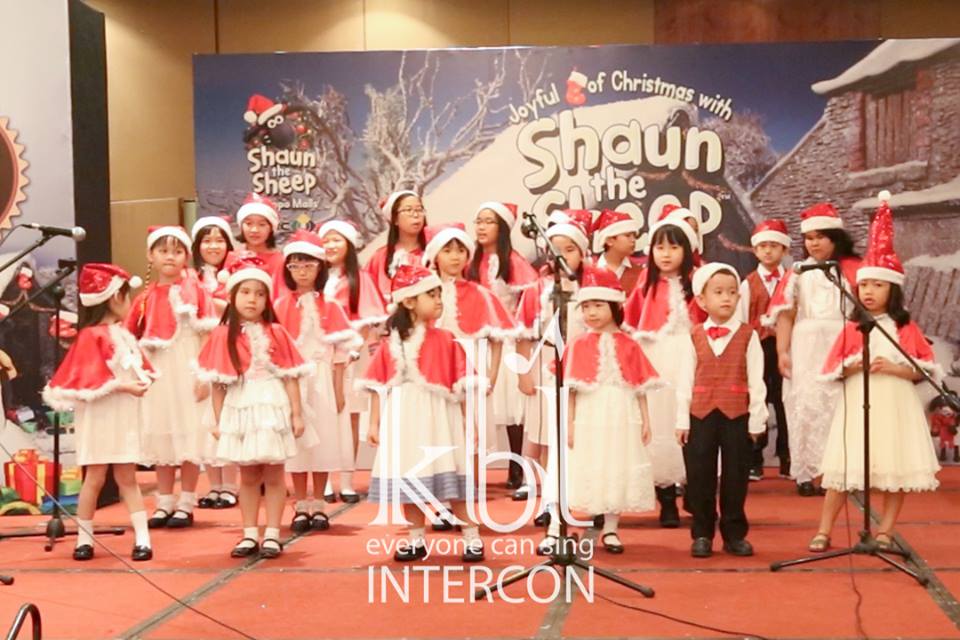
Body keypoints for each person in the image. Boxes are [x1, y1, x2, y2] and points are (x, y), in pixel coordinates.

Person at [809, 195, 941, 552]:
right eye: (864, 285)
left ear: (892, 289)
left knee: (893, 467)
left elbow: (924, 369)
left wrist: (897, 369)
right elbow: (832, 369)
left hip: (895, 402)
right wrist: (855, 366)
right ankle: (824, 529)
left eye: (877, 285)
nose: (868, 291)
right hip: (859, 401)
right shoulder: (854, 327)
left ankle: (885, 530)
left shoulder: (904, 327)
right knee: (843, 468)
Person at [360, 264, 485, 562]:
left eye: (439, 294)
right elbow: (378, 384)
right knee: (409, 477)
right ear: (409, 301)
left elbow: (462, 384)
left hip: (440, 415)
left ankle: (472, 537)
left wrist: (470, 422)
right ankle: (416, 538)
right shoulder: (392, 344)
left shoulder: (446, 339)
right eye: (431, 295)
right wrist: (374, 422)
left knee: (454, 478)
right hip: (404, 416)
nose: (439, 300)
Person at [196, 256, 313, 559]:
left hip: (272, 404)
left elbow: (290, 375)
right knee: (247, 475)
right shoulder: (222, 334)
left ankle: (272, 534)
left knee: (274, 474)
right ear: (232, 296)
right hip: (240, 406)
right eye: (246, 292)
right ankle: (249, 533)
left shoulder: (277, 332)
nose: (253, 299)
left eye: (260, 294)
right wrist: (219, 421)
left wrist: (296, 413)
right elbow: (218, 384)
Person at [43, 264, 155, 561]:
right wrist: (125, 386)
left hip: (123, 415)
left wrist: (141, 382)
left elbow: (139, 368)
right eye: (126, 296)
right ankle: (84, 538)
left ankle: (143, 538)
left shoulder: (123, 334)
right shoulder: (90, 336)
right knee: (94, 477)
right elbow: (91, 380)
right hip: (98, 416)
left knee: (126, 477)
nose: (129, 302)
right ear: (115, 297)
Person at [556, 267, 659, 554]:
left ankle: (612, 528)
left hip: (621, 412)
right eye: (586, 306)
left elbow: (639, 385)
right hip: (589, 414)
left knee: (618, 462)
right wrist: (569, 422)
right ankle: (585, 517)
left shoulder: (629, 344)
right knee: (592, 462)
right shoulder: (577, 345)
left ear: (614, 306)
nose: (591, 313)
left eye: (598, 305)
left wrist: (646, 420)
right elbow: (571, 389)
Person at [763, 203, 862, 496]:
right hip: (805, 347)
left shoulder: (853, 270)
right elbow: (786, 314)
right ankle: (806, 473)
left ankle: (840, 472)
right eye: (809, 238)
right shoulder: (798, 272)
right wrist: (782, 351)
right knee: (804, 406)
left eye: (820, 237)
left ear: (835, 237)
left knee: (840, 406)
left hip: (842, 342)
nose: (814, 243)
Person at [126, 225, 218, 529]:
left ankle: (187, 501)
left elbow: (207, 335)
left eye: (177, 251)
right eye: (163, 251)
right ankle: (164, 501)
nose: (170, 257)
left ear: (186, 256)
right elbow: (130, 337)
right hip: (159, 371)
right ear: (150, 255)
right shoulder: (144, 298)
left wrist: (203, 374)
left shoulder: (197, 291)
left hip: (188, 367)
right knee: (162, 434)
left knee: (189, 433)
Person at [676, 263, 768, 558]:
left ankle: (734, 533)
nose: (726, 298)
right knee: (699, 476)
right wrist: (682, 419)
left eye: (731, 292)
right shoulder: (693, 336)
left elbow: (757, 380)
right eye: (718, 292)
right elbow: (684, 381)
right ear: (702, 300)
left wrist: (757, 419)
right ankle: (702, 532)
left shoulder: (748, 335)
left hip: (736, 414)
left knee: (735, 477)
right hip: (700, 414)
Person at [275, 230, 361, 532]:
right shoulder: (280, 306)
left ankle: (320, 504)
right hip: (293, 381)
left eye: (309, 265)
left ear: (320, 268)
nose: (302, 271)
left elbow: (340, 352)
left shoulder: (331, 305)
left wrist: (338, 389)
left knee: (322, 439)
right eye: (295, 265)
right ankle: (301, 504)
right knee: (299, 442)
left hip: (323, 379)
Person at [514, 209, 593, 536]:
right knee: (548, 438)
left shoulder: (590, 286)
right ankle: (550, 500)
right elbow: (523, 334)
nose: (562, 256)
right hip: (547, 365)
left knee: (581, 435)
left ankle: (582, 497)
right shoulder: (537, 289)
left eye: (570, 250)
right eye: (556, 250)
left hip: (584, 367)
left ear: (582, 252)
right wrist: (524, 373)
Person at [623, 213, 705, 527]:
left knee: (692, 422)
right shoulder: (645, 284)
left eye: (673, 247)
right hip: (655, 358)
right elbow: (631, 323)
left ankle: (696, 492)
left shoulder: (698, 281)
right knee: (659, 425)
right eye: (659, 247)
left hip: (691, 357)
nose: (666, 254)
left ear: (687, 249)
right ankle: (666, 498)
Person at [467, 201, 538, 490]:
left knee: (513, 410)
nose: (482, 227)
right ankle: (471, 469)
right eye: (479, 221)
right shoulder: (470, 261)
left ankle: (516, 466)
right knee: (475, 407)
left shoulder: (515, 262)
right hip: (474, 340)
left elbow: (527, 303)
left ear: (503, 227)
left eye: (489, 221)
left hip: (507, 341)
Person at [317, 219, 388, 504]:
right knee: (322, 414)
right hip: (321, 355)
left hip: (353, 355)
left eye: (337, 240)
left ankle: (347, 480)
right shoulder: (316, 278)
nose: (331, 245)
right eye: (326, 240)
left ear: (349, 244)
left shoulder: (360, 279)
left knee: (351, 415)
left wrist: (354, 348)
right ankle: (323, 479)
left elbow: (369, 321)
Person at [737, 219, 791, 480]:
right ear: (755, 250)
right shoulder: (747, 284)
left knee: (785, 401)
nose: (768, 251)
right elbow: (742, 319)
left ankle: (787, 456)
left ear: (784, 250)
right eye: (763, 246)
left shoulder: (792, 281)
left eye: (773, 246)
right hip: (757, 348)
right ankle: (753, 458)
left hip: (785, 348)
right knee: (756, 400)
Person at [190, 216, 238, 509]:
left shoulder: (237, 274)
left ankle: (231, 485)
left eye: (219, 240)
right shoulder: (190, 279)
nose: (213, 246)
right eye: (207, 240)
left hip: (228, 351)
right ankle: (214, 486)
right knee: (203, 420)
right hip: (196, 353)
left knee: (227, 416)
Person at [364, 190, 427, 298]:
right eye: (408, 210)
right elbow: (366, 292)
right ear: (395, 219)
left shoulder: (432, 251)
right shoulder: (380, 257)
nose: (416, 215)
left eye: (419, 209)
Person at [235, 192, 286, 298]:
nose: (254, 230)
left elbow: (281, 298)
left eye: (262, 224)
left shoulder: (279, 261)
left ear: (271, 228)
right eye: (248, 224)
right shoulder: (233, 258)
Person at [591, 209, 644, 295]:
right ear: (609, 240)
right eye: (628, 235)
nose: (633, 240)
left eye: (634, 236)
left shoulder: (640, 273)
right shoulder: (590, 272)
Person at [929, 397, 958, 463]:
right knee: (942, 441)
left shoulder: (953, 415)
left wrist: (952, 423)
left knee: (956, 441)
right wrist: (936, 427)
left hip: (952, 428)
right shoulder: (936, 416)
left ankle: (956, 455)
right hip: (943, 429)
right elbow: (935, 423)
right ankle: (943, 454)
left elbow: (954, 420)